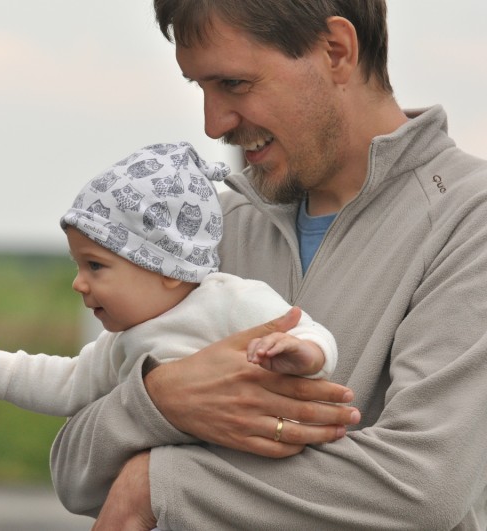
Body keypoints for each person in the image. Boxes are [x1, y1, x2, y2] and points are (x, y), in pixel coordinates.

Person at [48, 1, 487, 529]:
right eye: (200, 87)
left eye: (234, 83)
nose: (214, 124)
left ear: (336, 52)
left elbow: (422, 488)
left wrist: (156, 483)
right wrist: (161, 400)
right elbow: (74, 472)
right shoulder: (217, 228)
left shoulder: (468, 219)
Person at [0, 141, 337, 419]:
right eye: (78, 265)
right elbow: (66, 383)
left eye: (95, 266)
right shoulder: (119, 344)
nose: (79, 283)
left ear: (168, 267)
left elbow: (309, 331)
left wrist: (305, 353)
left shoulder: (230, 301)